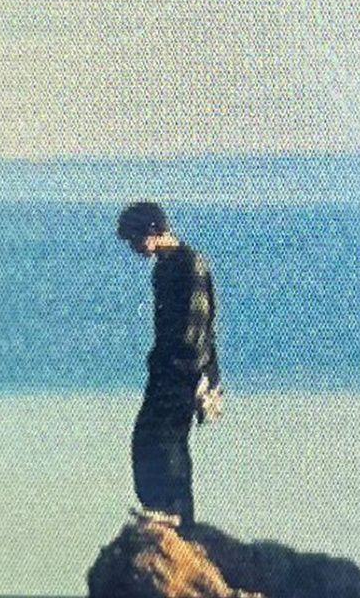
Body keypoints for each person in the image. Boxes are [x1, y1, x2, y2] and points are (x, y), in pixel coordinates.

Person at [117, 202, 221, 531]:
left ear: (153, 231)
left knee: (168, 439)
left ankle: (176, 513)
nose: (134, 248)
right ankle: (159, 507)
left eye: (135, 239)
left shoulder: (190, 263)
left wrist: (198, 378)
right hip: (165, 369)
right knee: (147, 438)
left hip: (183, 371)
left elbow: (197, 326)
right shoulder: (163, 268)